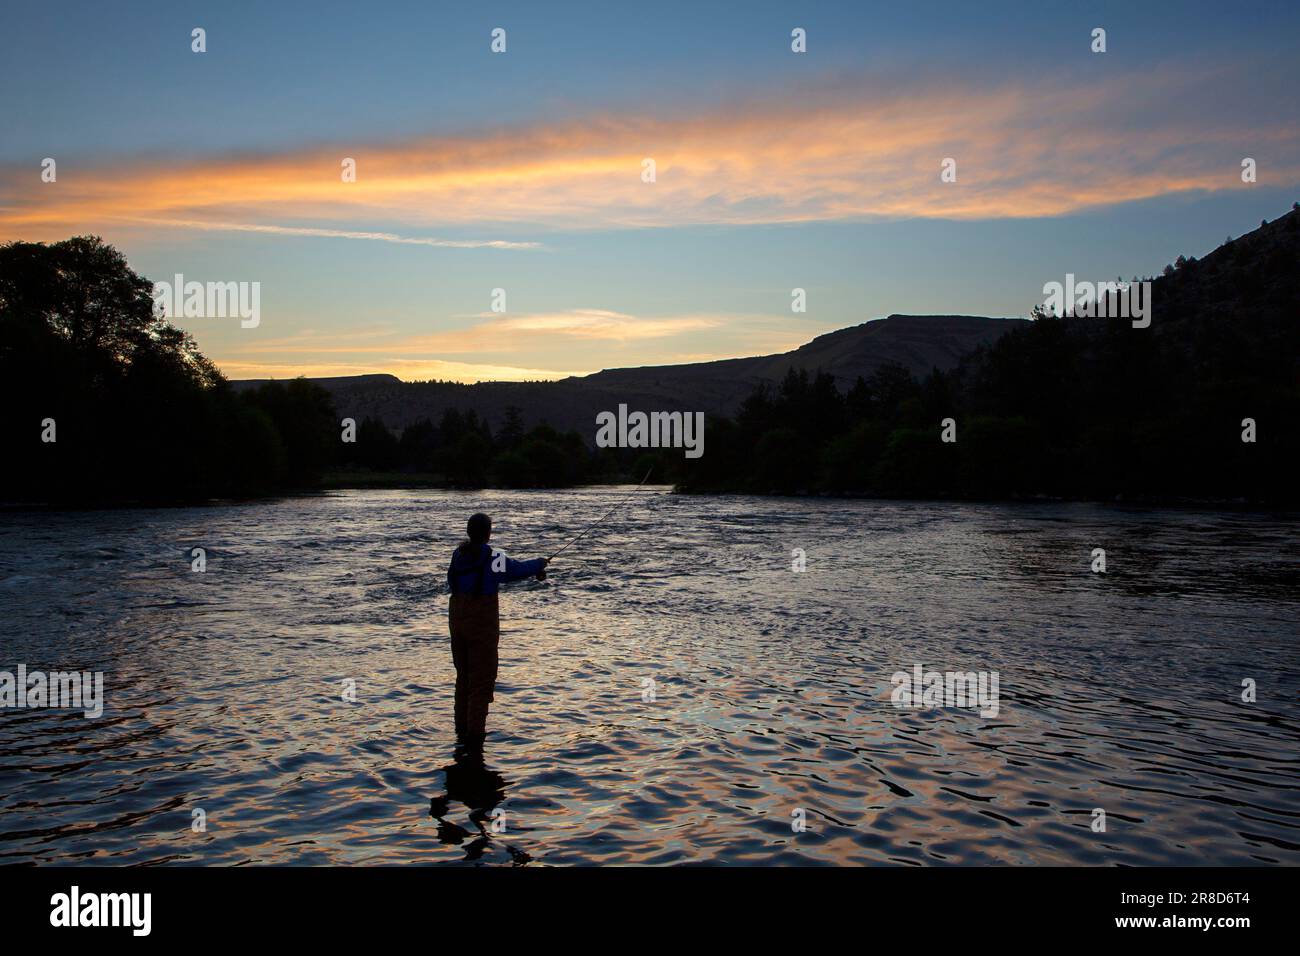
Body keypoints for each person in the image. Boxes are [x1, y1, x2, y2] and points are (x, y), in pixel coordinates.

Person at [445, 512, 548, 750]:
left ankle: (461, 732)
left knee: (464, 678)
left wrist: (534, 570)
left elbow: (453, 580)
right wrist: (540, 563)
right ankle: (474, 740)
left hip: (456, 618)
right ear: (488, 534)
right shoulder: (493, 556)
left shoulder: (458, 554)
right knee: (482, 681)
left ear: (469, 532)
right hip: (481, 622)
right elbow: (515, 570)